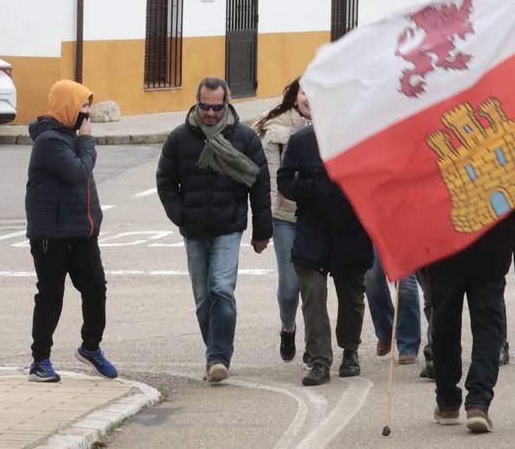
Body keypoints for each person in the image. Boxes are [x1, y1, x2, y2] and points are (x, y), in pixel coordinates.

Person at [156, 77, 272, 383]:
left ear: (226, 104)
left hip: (228, 227)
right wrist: (180, 215)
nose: (209, 113)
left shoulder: (245, 138)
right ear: (197, 102)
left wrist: (262, 231)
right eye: (205, 106)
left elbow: (260, 184)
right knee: (203, 299)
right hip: (193, 230)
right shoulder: (179, 139)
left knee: (221, 289)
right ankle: (214, 353)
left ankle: (219, 357)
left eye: (216, 107)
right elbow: (165, 181)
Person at [424, 185, 515, 433]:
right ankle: (479, 402)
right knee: (488, 322)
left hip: (445, 227)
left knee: (444, 320)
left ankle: (448, 401)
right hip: (492, 228)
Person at [24, 80, 116, 383]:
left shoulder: (69, 137)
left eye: (88, 106)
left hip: (81, 233)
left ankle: (91, 347)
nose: (87, 114)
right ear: (67, 107)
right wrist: (87, 141)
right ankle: (40, 361)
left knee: (95, 289)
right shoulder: (49, 141)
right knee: (51, 295)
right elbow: (79, 172)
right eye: (83, 107)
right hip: (51, 235)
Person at [277, 104, 373, 385]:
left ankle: (350, 350)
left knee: (352, 296)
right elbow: (284, 181)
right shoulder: (301, 142)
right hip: (312, 229)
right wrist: (308, 188)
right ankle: (319, 360)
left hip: (351, 230)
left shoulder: (362, 141)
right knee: (313, 294)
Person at [252, 79, 309, 363]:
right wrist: (267, 218)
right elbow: (272, 178)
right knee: (290, 285)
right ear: (295, 95)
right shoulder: (276, 127)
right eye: (304, 91)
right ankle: (288, 327)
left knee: (314, 285)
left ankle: (316, 349)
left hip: (319, 215)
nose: (310, 97)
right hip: (285, 215)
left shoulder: (336, 124)